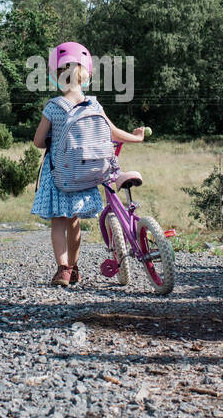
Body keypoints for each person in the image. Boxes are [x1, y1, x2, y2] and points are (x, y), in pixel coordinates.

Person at [31, 41, 146, 287]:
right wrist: (136, 137)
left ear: (57, 76)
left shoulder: (53, 107)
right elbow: (112, 133)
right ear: (86, 75)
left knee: (58, 222)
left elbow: (38, 142)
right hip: (86, 173)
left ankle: (63, 269)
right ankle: (75, 269)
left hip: (59, 174)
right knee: (74, 222)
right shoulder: (94, 105)